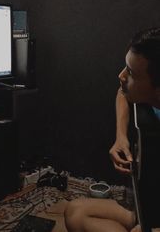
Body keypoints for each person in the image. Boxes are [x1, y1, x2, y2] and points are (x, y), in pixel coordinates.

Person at [64, 28, 160, 232]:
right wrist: (121, 137)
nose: (121, 75)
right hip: (149, 209)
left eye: (131, 73)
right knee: (75, 211)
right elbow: (122, 92)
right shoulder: (147, 96)